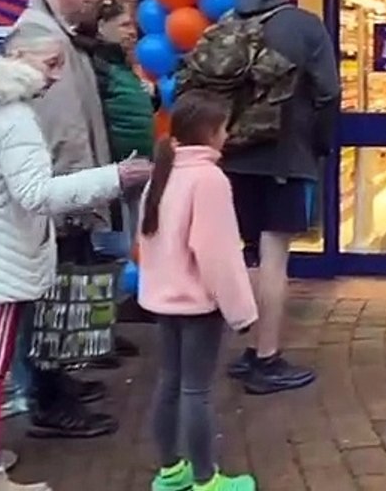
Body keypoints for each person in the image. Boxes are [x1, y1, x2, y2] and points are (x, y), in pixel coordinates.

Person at [0, 27, 152, 491]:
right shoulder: (13, 117)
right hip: (1, 258)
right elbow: (36, 195)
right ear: (17, 57)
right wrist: (114, 178)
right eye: (51, 64)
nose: (57, 77)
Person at [222, 0, 338, 395]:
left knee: (250, 253)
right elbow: (327, 92)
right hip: (285, 156)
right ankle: (266, 358)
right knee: (275, 257)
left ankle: (251, 346)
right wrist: (320, 145)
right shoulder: (304, 26)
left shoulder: (228, 22)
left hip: (234, 155)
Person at [10, 0, 117, 437]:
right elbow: (61, 126)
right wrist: (77, 199)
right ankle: (49, 402)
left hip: (65, 188)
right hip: (58, 196)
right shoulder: (39, 36)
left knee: (62, 293)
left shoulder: (55, 34)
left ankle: (58, 386)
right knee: (52, 299)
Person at [139, 91, 258, 491]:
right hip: (197, 303)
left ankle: (170, 470)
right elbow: (218, 253)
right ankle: (208, 480)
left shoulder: (163, 172)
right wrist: (241, 311)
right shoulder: (209, 179)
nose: (227, 135)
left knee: (169, 382)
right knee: (197, 390)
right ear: (210, 132)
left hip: (163, 299)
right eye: (224, 127)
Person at [73, 0, 158, 357]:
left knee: (121, 251)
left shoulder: (117, 64)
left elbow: (128, 108)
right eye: (124, 24)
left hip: (131, 169)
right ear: (102, 24)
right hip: (110, 171)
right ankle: (93, 336)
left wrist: (148, 98)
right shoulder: (92, 66)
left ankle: (103, 330)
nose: (131, 32)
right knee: (109, 251)